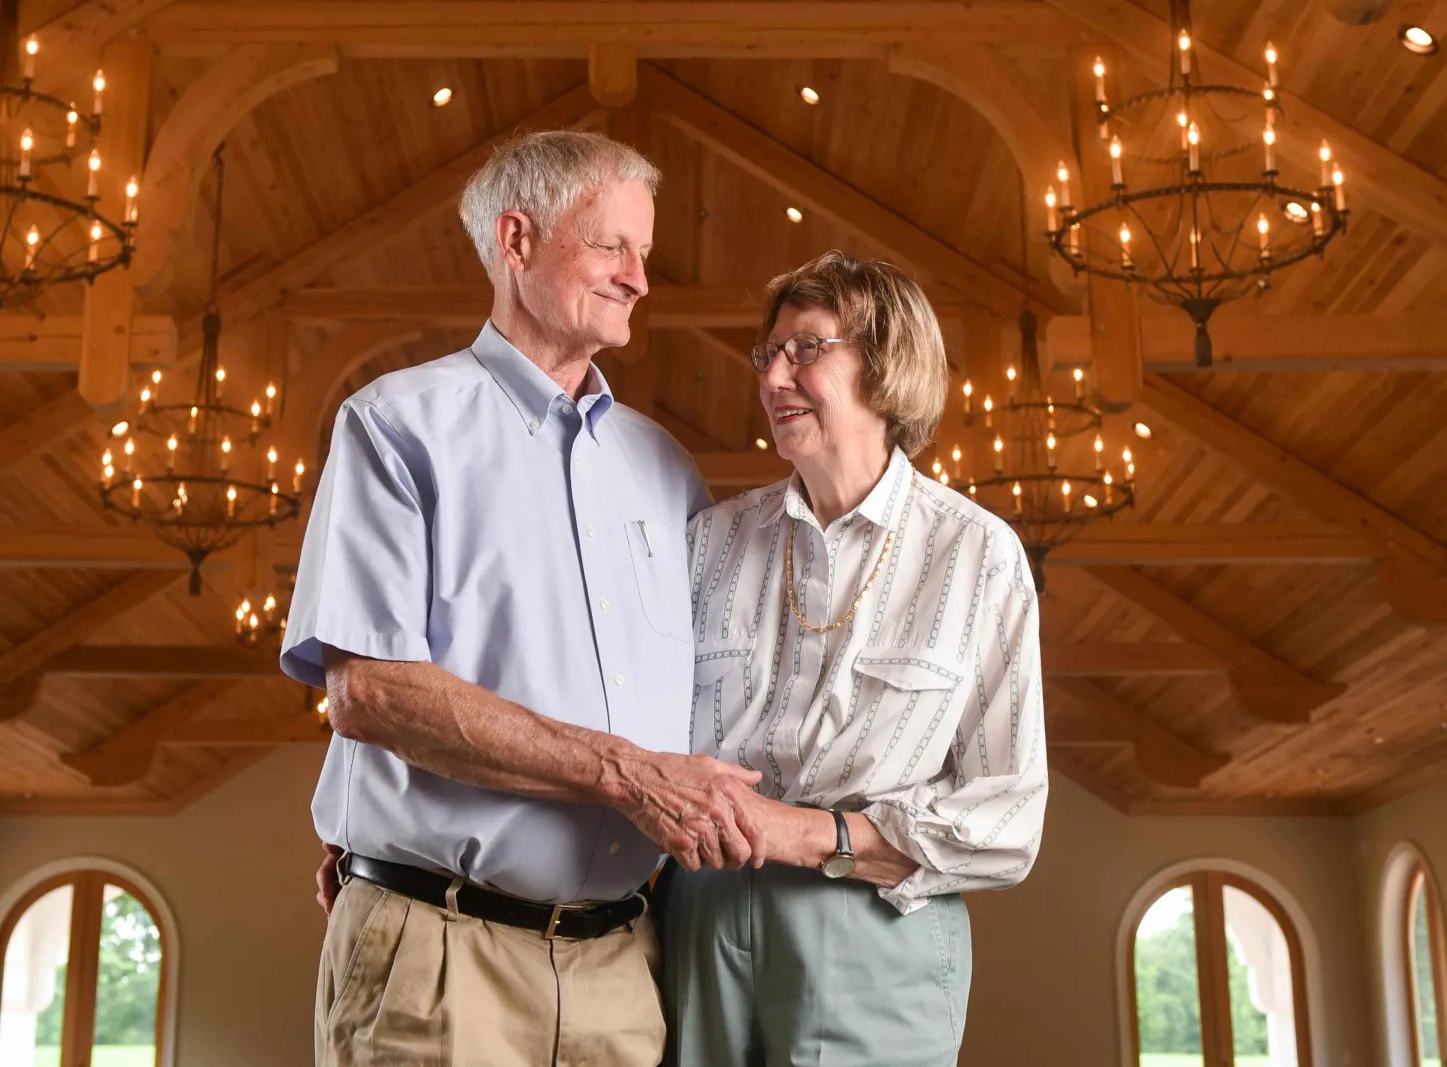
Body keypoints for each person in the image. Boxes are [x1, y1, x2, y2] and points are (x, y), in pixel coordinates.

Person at [282, 130, 771, 1067]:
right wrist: (623, 771)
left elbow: (712, 698)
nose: (639, 279)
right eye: (612, 246)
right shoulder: (395, 426)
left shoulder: (665, 469)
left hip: (624, 966)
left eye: (645, 254)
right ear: (517, 239)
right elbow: (370, 693)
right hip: (437, 958)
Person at [659, 250, 1048, 1067]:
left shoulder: (978, 553)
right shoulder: (708, 543)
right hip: (699, 916)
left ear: (887, 362)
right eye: (767, 354)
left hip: (875, 926)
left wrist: (805, 833)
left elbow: (1005, 820)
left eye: (806, 348)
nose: (774, 376)